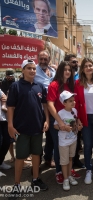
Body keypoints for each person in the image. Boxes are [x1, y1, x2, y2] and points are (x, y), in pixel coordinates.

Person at [7, 59, 49, 197]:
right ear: (23, 70)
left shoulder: (40, 86)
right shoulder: (16, 86)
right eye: (29, 68)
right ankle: (17, 185)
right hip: (21, 129)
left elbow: (44, 106)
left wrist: (47, 120)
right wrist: (10, 125)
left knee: (37, 154)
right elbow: (10, 108)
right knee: (20, 157)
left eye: (33, 68)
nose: (32, 70)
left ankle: (35, 179)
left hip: (37, 128)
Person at [47, 61, 78, 183]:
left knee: (70, 145)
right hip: (58, 120)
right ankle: (59, 172)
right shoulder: (54, 85)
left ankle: (68, 171)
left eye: (69, 70)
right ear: (60, 70)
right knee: (59, 146)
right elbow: (50, 104)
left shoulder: (71, 86)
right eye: (65, 69)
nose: (67, 72)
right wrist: (59, 122)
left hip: (70, 120)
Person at [74, 58, 93, 185]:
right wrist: (77, 119)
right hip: (84, 118)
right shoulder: (78, 83)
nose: (88, 68)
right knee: (87, 145)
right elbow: (75, 103)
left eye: (90, 65)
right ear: (82, 69)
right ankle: (88, 169)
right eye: (86, 66)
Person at [54, 91, 82, 191]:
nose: (73, 102)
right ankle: (65, 179)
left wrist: (79, 125)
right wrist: (63, 127)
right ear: (64, 103)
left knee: (70, 159)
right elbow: (55, 125)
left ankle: (70, 175)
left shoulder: (74, 110)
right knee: (64, 161)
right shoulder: (60, 113)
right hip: (63, 142)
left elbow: (77, 120)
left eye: (73, 100)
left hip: (73, 140)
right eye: (70, 101)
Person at [34, 50, 56, 169]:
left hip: (51, 109)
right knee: (37, 136)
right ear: (38, 58)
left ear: (49, 59)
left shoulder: (53, 71)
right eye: (41, 59)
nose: (43, 61)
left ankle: (48, 158)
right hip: (37, 109)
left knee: (50, 136)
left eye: (45, 59)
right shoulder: (33, 69)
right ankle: (36, 162)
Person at [64, 54, 85, 170]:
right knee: (66, 139)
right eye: (73, 62)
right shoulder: (63, 78)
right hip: (65, 113)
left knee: (76, 138)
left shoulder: (80, 77)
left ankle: (75, 160)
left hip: (77, 112)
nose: (75, 64)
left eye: (76, 62)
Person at [0, 89, 11, 174]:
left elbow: (4, 97)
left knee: (6, 141)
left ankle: (0, 162)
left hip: (3, 120)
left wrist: (6, 99)